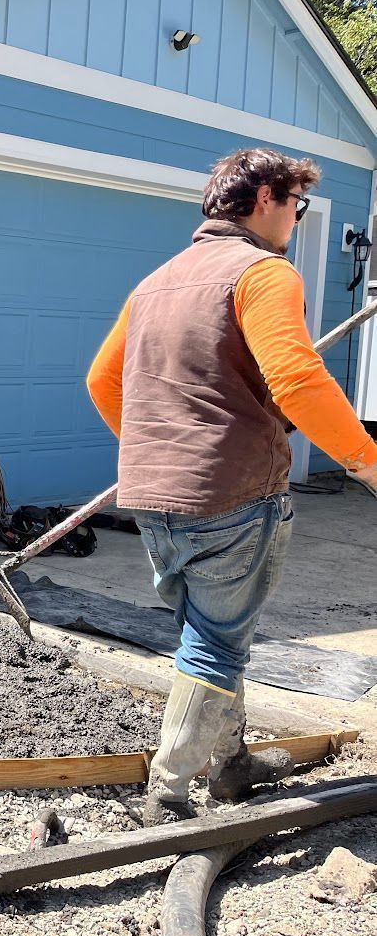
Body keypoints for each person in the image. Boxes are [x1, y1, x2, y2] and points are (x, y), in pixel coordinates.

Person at [86, 148, 377, 826]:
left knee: (211, 631)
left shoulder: (157, 282)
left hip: (154, 495)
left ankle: (233, 762)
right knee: (216, 640)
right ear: (267, 197)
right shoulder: (263, 272)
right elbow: (299, 381)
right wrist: (365, 460)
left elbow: (103, 380)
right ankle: (166, 795)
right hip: (233, 492)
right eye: (296, 207)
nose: (297, 222)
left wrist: (157, 453)